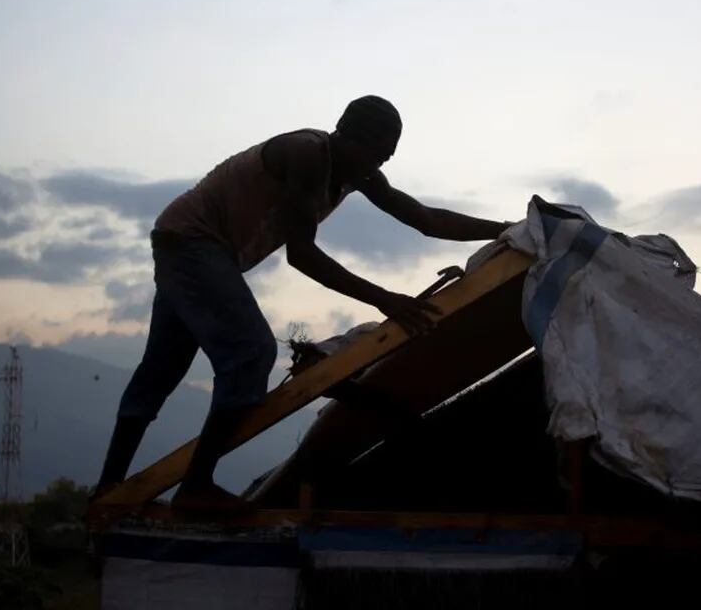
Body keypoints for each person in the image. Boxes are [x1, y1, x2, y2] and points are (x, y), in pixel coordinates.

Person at [93, 95, 512, 510]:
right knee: (251, 351)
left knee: (160, 371)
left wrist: (507, 229)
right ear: (348, 136)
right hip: (191, 242)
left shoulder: (357, 173)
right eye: (375, 155)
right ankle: (195, 486)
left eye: (385, 160)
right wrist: (385, 299)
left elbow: (426, 219)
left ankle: (109, 490)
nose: (377, 167)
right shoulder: (308, 155)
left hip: (194, 246)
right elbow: (302, 254)